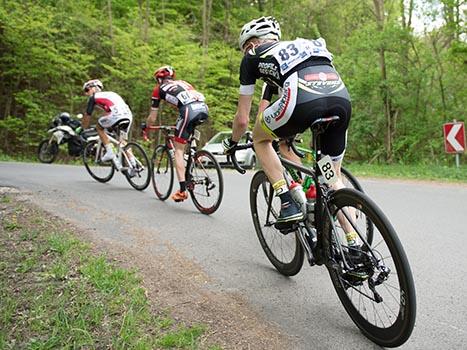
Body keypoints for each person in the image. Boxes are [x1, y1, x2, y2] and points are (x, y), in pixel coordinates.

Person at [223, 16, 352, 230]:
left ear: (252, 44)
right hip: (339, 97)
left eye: (244, 48)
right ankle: (355, 244)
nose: (244, 53)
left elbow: (243, 119)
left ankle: (287, 201)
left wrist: (232, 143)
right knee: (332, 178)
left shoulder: (252, 57)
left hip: (301, 101)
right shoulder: (297, 48)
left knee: (259, 139)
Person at [145, 66, 209, 202]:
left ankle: (182, 190)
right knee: (189, 130)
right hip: (203, 107)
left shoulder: (158, 89)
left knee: (178, 151)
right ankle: (195, 155)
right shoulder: (183, 83)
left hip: (188, 110)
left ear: (158, 79)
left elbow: (153, 117)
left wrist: (147, 126)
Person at [81, 79, 134, 170]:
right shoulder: (111, 94)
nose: (86, 93)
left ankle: (109, 151)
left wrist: (83, 128)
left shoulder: (93, 97)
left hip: (116, 116)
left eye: (87, 90)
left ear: (94, 88)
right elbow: (109, 112)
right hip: (128, 116)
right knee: (123, 142)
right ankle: (134, 164)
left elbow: (87, 115)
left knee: (99, 127)